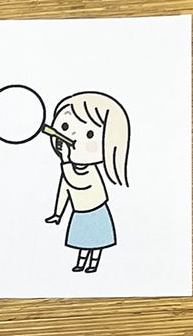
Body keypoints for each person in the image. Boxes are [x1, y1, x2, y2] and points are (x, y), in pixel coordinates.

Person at [44, 90, 130, 273]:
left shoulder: (90, 172)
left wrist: (65, 161)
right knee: (82, 242)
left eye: (90, 134)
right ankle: (82, 262)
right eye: (65, 126)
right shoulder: (68, 171)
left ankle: (93, 264)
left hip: (96, 213)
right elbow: (65, 191)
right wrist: (58, 214)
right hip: (79, 213)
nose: (73, 137)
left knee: (96, 243)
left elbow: (77, 183)